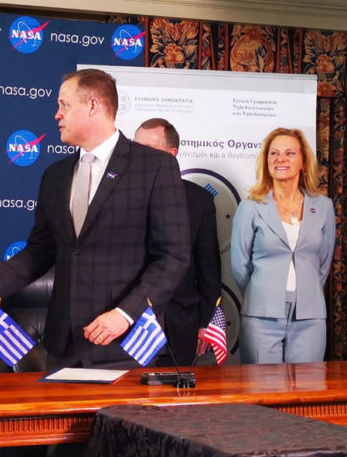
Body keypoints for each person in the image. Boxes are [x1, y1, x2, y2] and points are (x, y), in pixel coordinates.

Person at [0, 69, 191, 457]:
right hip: (64, 347)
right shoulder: (55, 175)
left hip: (124, 346)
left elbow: (173, 256)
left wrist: (126, 313)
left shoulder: (154, 167)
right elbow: (39, 252)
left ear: (93, 105)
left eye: (63, 104)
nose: (56, 114)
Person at [230, 127, 335, 364]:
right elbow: (240, 265)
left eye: (290, 153)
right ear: (266, 161)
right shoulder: (250, 207)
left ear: (304, 162)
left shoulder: (324, 207)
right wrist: (262, 293)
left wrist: (306, 291)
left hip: (310, 317)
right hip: (261, 315)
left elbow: (323, 263)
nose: (281, 159)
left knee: (308, 385)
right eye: (274, 153)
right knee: (262, 386)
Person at [134, 118, 221, 366]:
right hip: (129, 324)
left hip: (180, 324)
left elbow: (208, 268)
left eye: (148, 150)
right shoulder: (117, 196)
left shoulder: (199, 200)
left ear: (171, 155)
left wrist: (205, 322)